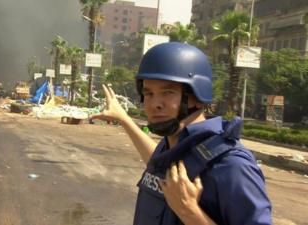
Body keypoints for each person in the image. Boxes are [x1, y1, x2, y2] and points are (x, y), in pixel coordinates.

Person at [91, 42, 272, 225]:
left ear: (198, 98)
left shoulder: (231, 165)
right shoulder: (173, 145)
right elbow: (159, 164)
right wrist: (124, 119)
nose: (155, 104)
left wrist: (190, 213)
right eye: (149, 93)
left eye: (168, 92)